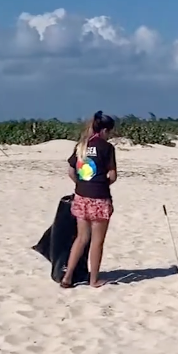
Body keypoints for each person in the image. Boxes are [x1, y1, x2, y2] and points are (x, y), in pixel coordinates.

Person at [61, 111, 118, 288]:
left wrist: (82, 185)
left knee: (81, 238)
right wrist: (101, 184)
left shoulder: (81, 145)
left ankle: (67, 277)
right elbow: (113, 175)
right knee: (97, 241)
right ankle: (93, 280)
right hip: (99, 198)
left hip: (81, 197)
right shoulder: (107, 148)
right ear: (105, 130)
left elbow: (71, 171)